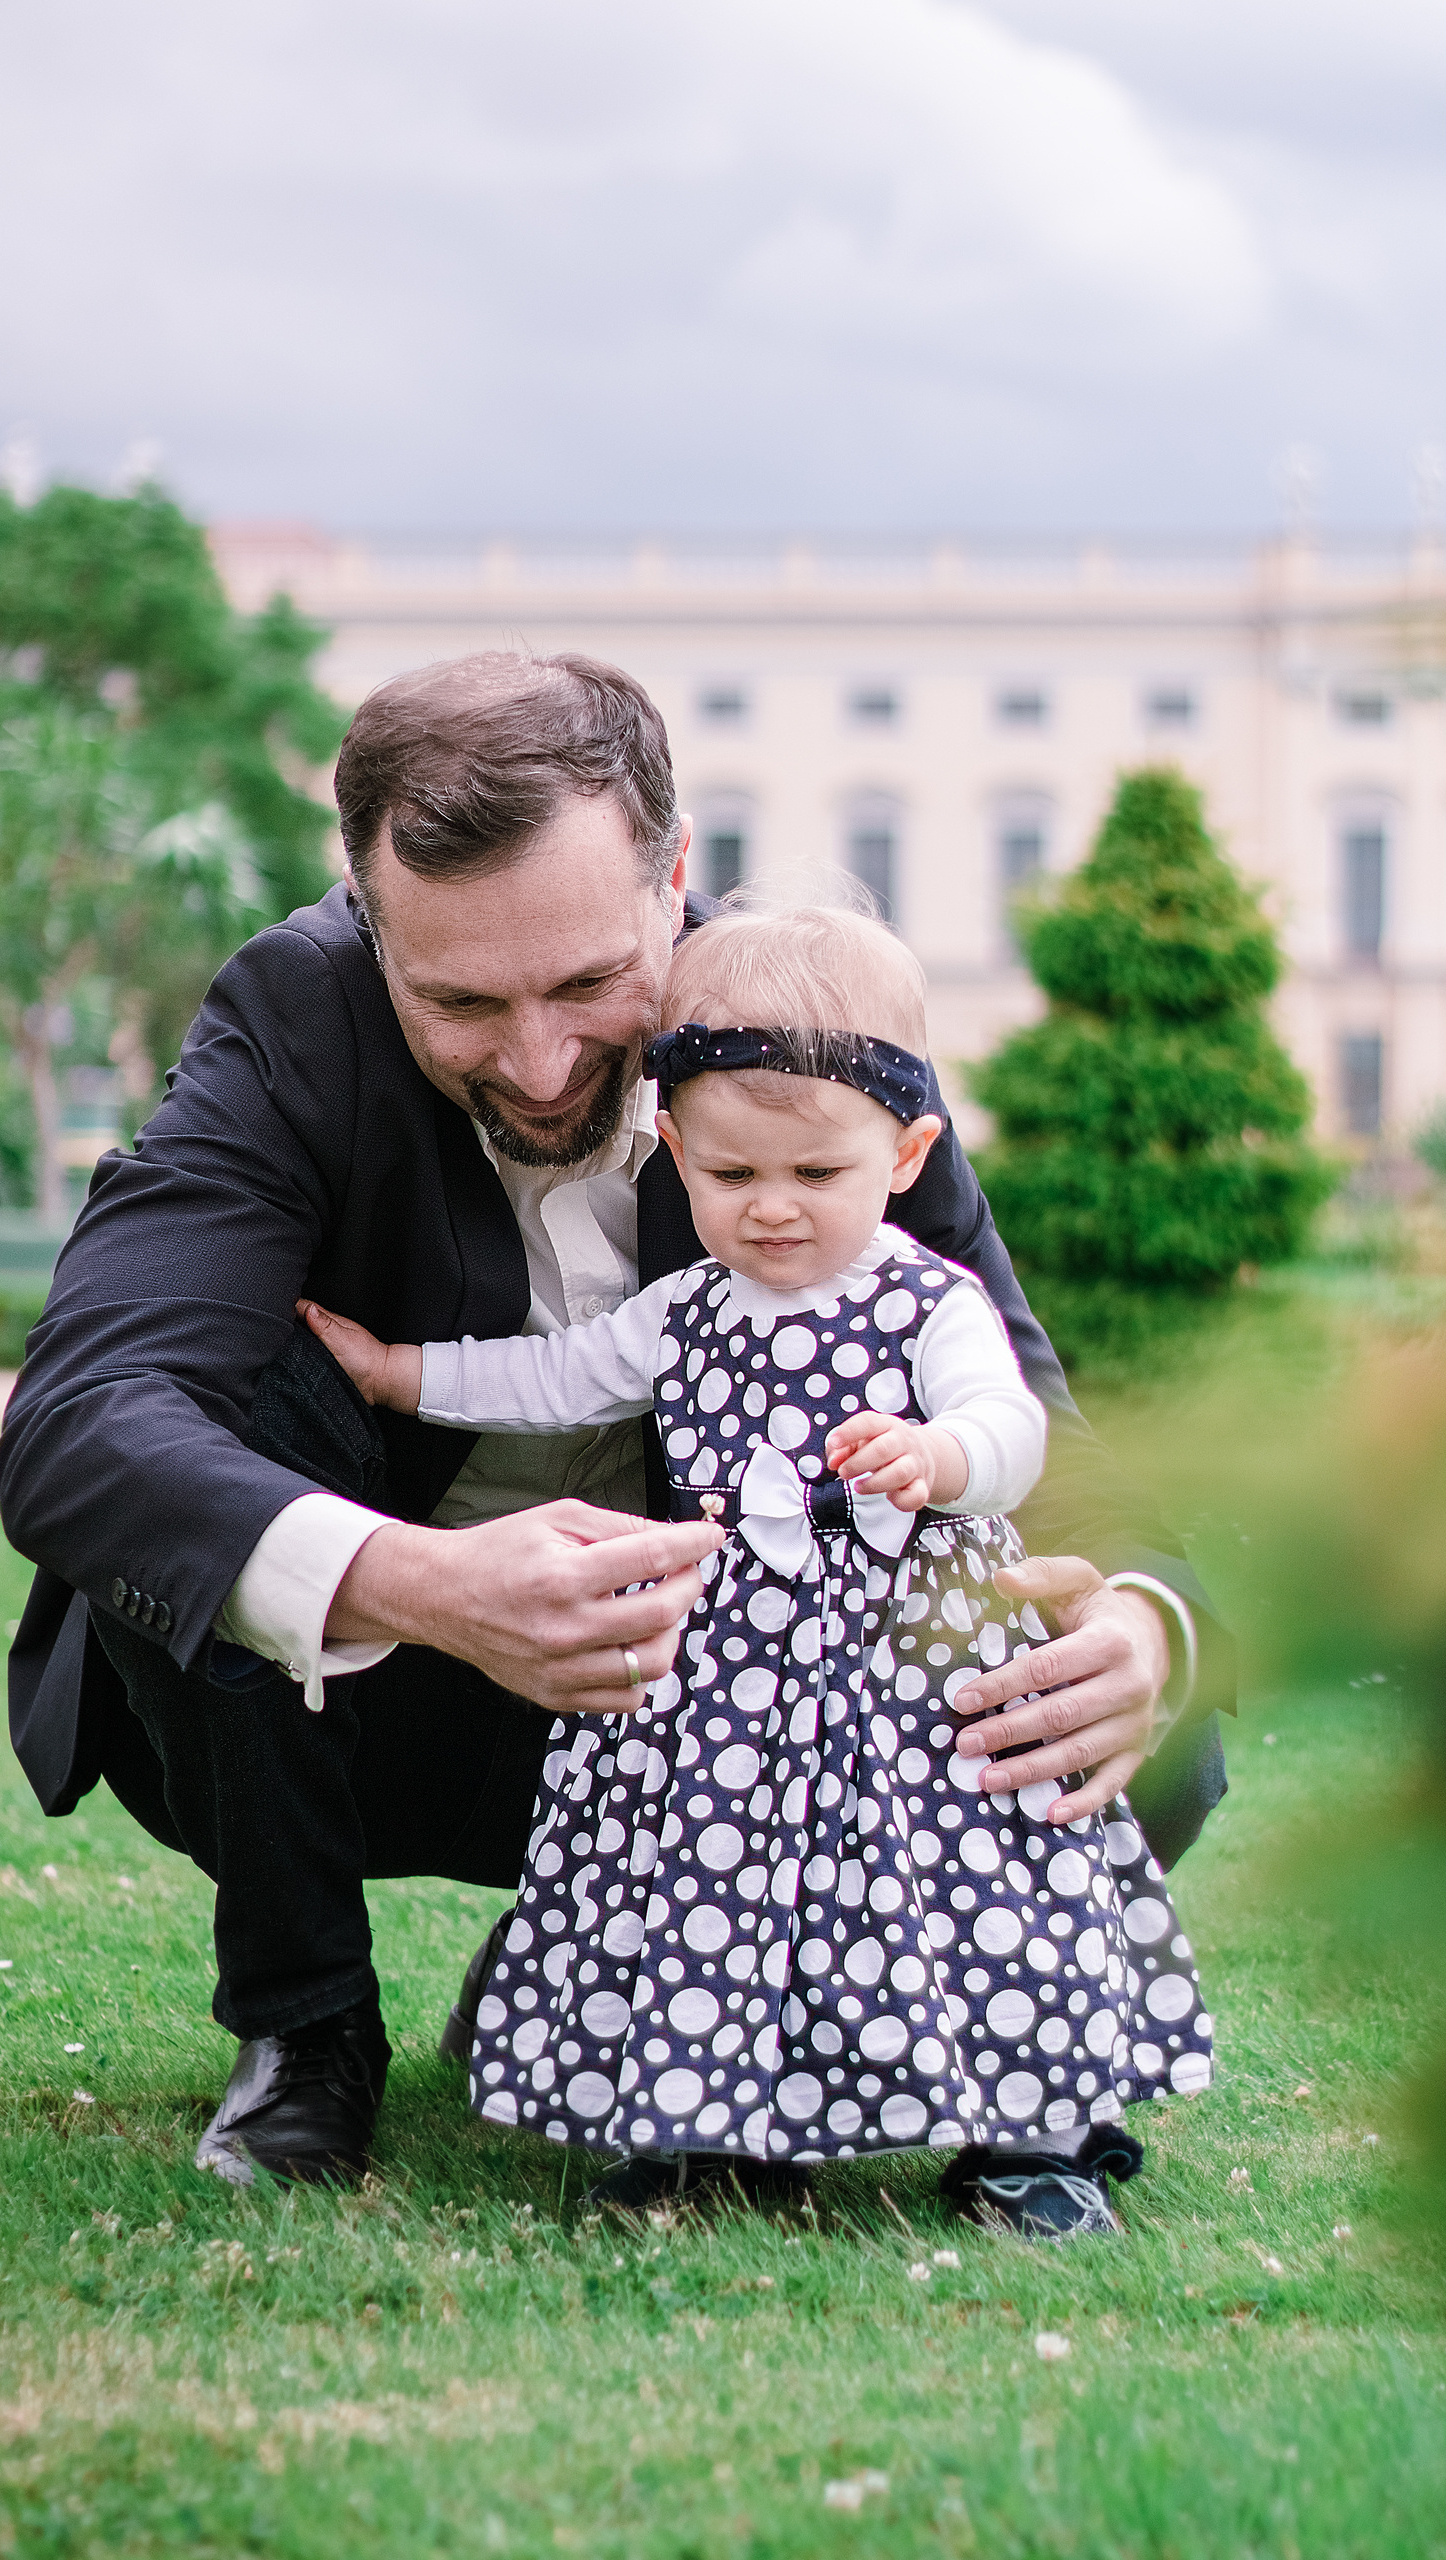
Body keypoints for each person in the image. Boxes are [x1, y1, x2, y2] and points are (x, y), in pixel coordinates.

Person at [0, 650, 1231, 2193]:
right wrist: (413, 1581)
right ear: (374, 931)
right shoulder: (292, 1019)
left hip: (737, 1713)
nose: (539, 1059)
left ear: (673, 880)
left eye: (588, 985)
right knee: (229, 1396)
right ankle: (306, 2031)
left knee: (1145, 1736)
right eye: (458, 1000)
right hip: (359, 1711)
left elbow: (1035, 1421)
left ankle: (648, 1980)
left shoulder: (809, 1026)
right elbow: (83, 1416)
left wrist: (1145, 1623)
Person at [303, 905, 1212, 2237]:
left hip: (920, 1664)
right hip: (725, 1667)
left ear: (904, 1156)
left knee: (973, 1881)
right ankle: (715, 2125)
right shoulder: (690, 1313)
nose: (773, 1209)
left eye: (814, 1175)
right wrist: (400, 1374)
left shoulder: (928, 1301)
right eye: (732, 1179)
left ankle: (1033, 2132)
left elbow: (1014, 1427)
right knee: (714, 1882)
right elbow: (553, 1374)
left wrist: (942, 1456)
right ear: (677, 1150)